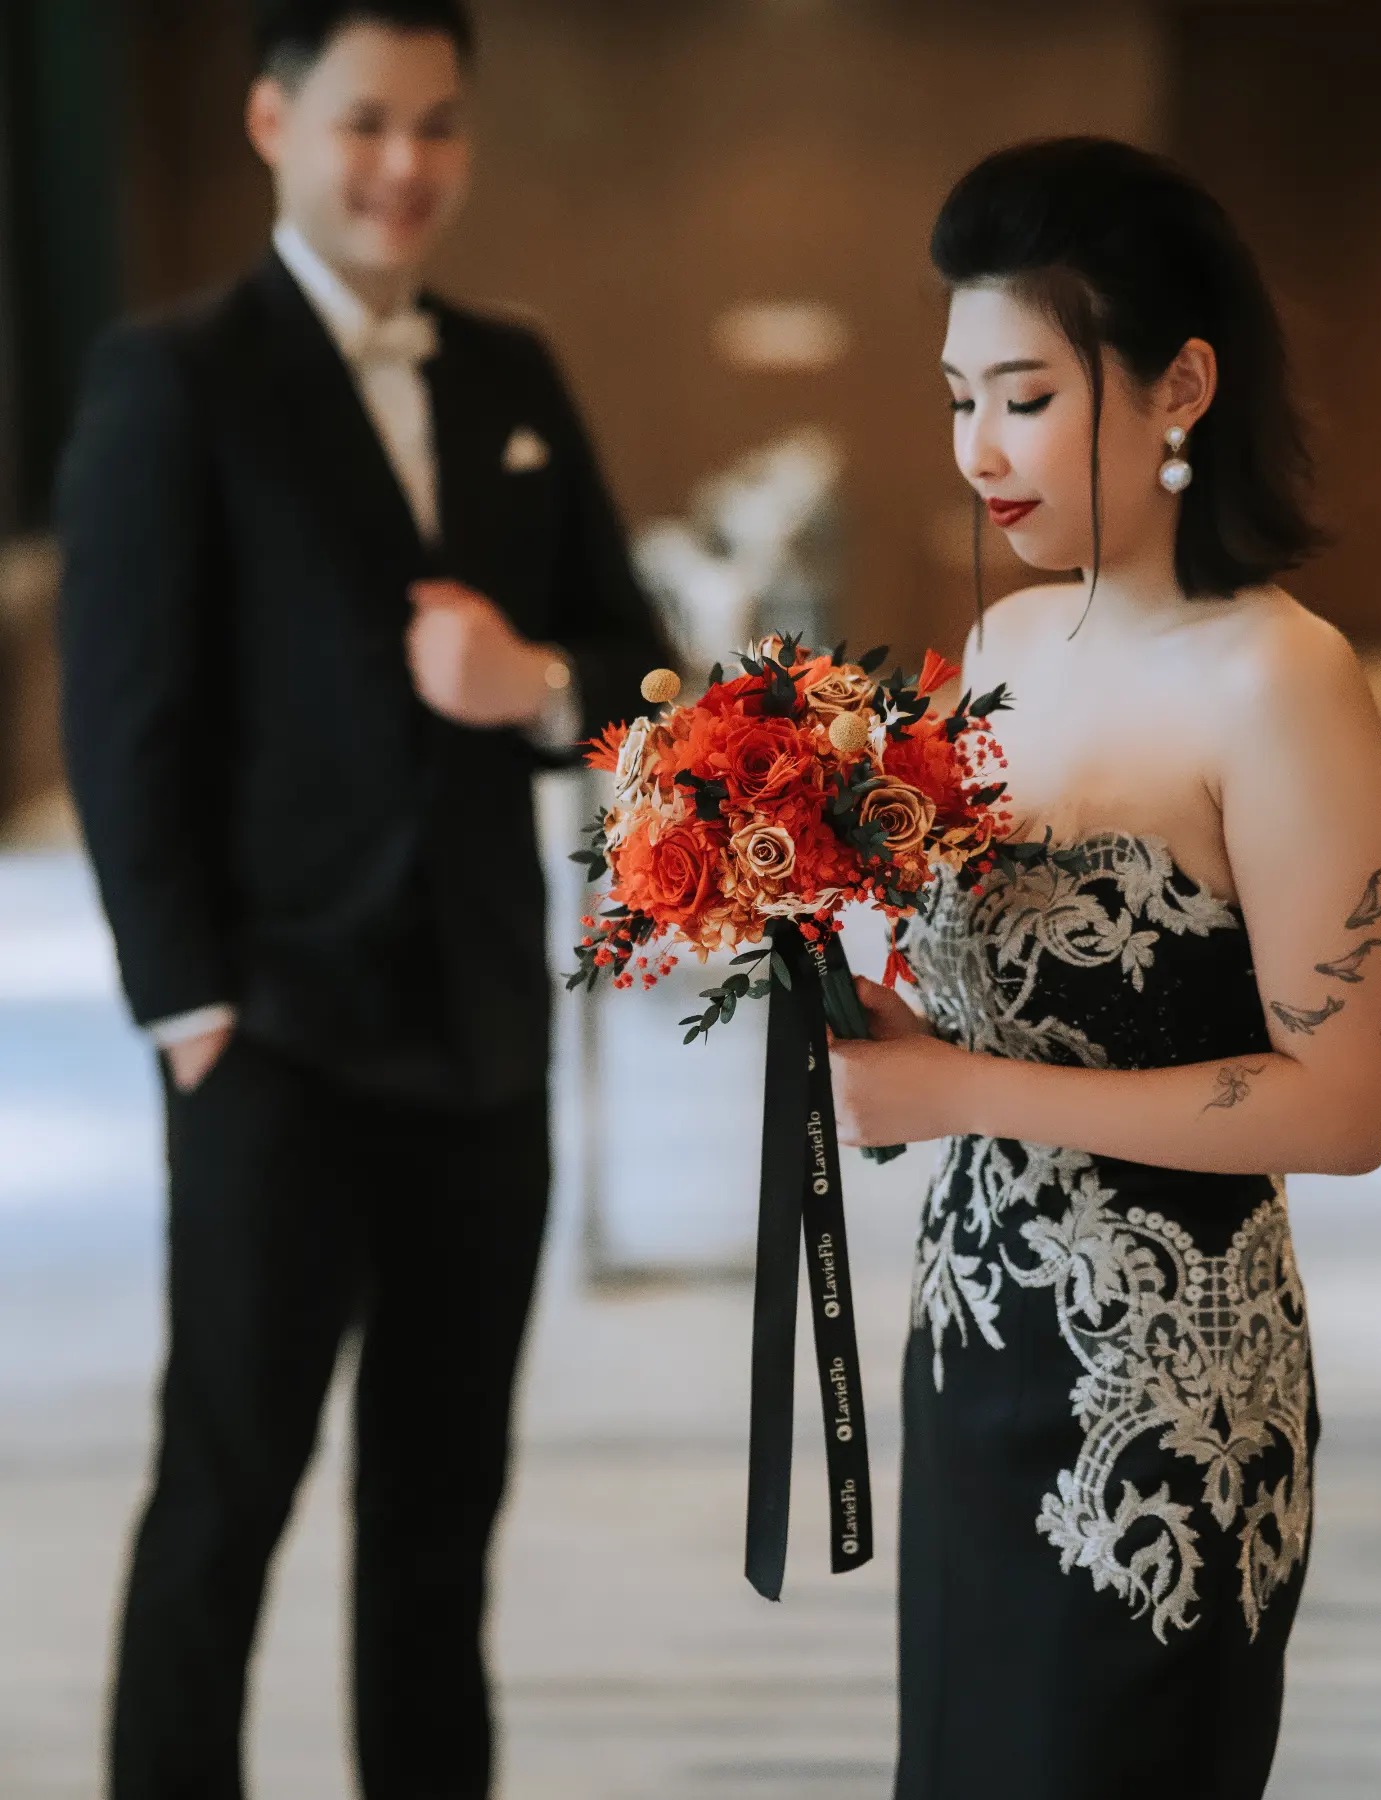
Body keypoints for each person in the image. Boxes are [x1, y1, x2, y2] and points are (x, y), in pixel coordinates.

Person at [55, 3, 668, 1795]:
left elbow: (641, 666)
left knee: (440, 1519)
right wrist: (192, 1014)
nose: (406, 165)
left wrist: (534, 682)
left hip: (483, 1038)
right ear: (271, 121)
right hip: (276, 1042)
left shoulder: (512, 373)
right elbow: (123, 723)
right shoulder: (173, 379)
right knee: (226, 1498)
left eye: (440, 125)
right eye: (366, 121)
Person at [828, 137, 1381, 1800]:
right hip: (975, 1345)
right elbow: (1029, 1006)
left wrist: (956, 1087)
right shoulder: (1006, 641)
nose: (977, 451)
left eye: (1023, 396)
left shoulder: (1281, 682)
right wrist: (882, 1028)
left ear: (1180, 388)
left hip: (1166, 1411)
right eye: (959, 398)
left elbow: (1348, 1103)